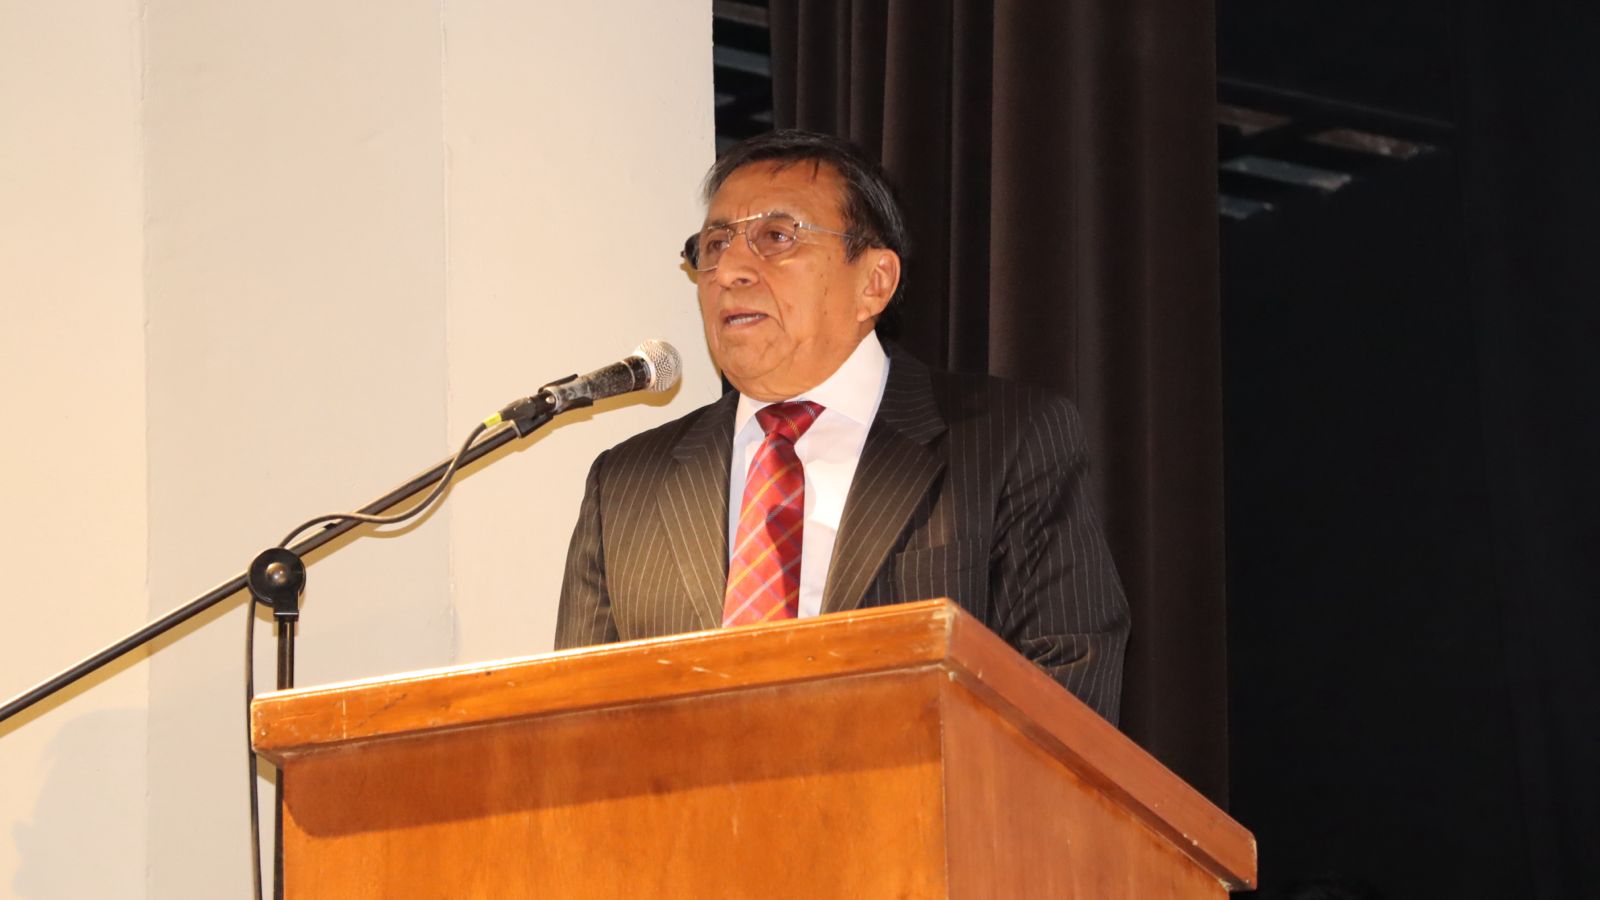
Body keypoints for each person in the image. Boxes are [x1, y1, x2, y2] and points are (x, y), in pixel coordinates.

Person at [555, 130, 1130, 724]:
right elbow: (571, 726)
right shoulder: (625, 487)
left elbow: (1068, 690)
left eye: (776, 237)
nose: (728, 270)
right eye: (715, 244)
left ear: (874, 282)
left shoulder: (1005, 441)